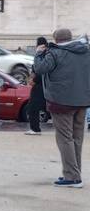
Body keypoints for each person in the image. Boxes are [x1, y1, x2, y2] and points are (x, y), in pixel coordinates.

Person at [33, 27, 90, 187]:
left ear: (56, 39)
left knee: (65, 139)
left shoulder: (54, 53)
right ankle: (75, 173)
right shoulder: (85, 52)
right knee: (77, 139)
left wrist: (38, 53)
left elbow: (39, 69)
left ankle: (72, 177)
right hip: (82, 100)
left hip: (61, 102)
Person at [24, 36, 48, 135]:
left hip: (39, 86)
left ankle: (35, 129)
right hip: (44, 85)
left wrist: (33, 79)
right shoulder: (48, 54)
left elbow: (39, 70)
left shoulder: (41, 55)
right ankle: (35, 128)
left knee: (33, 108)